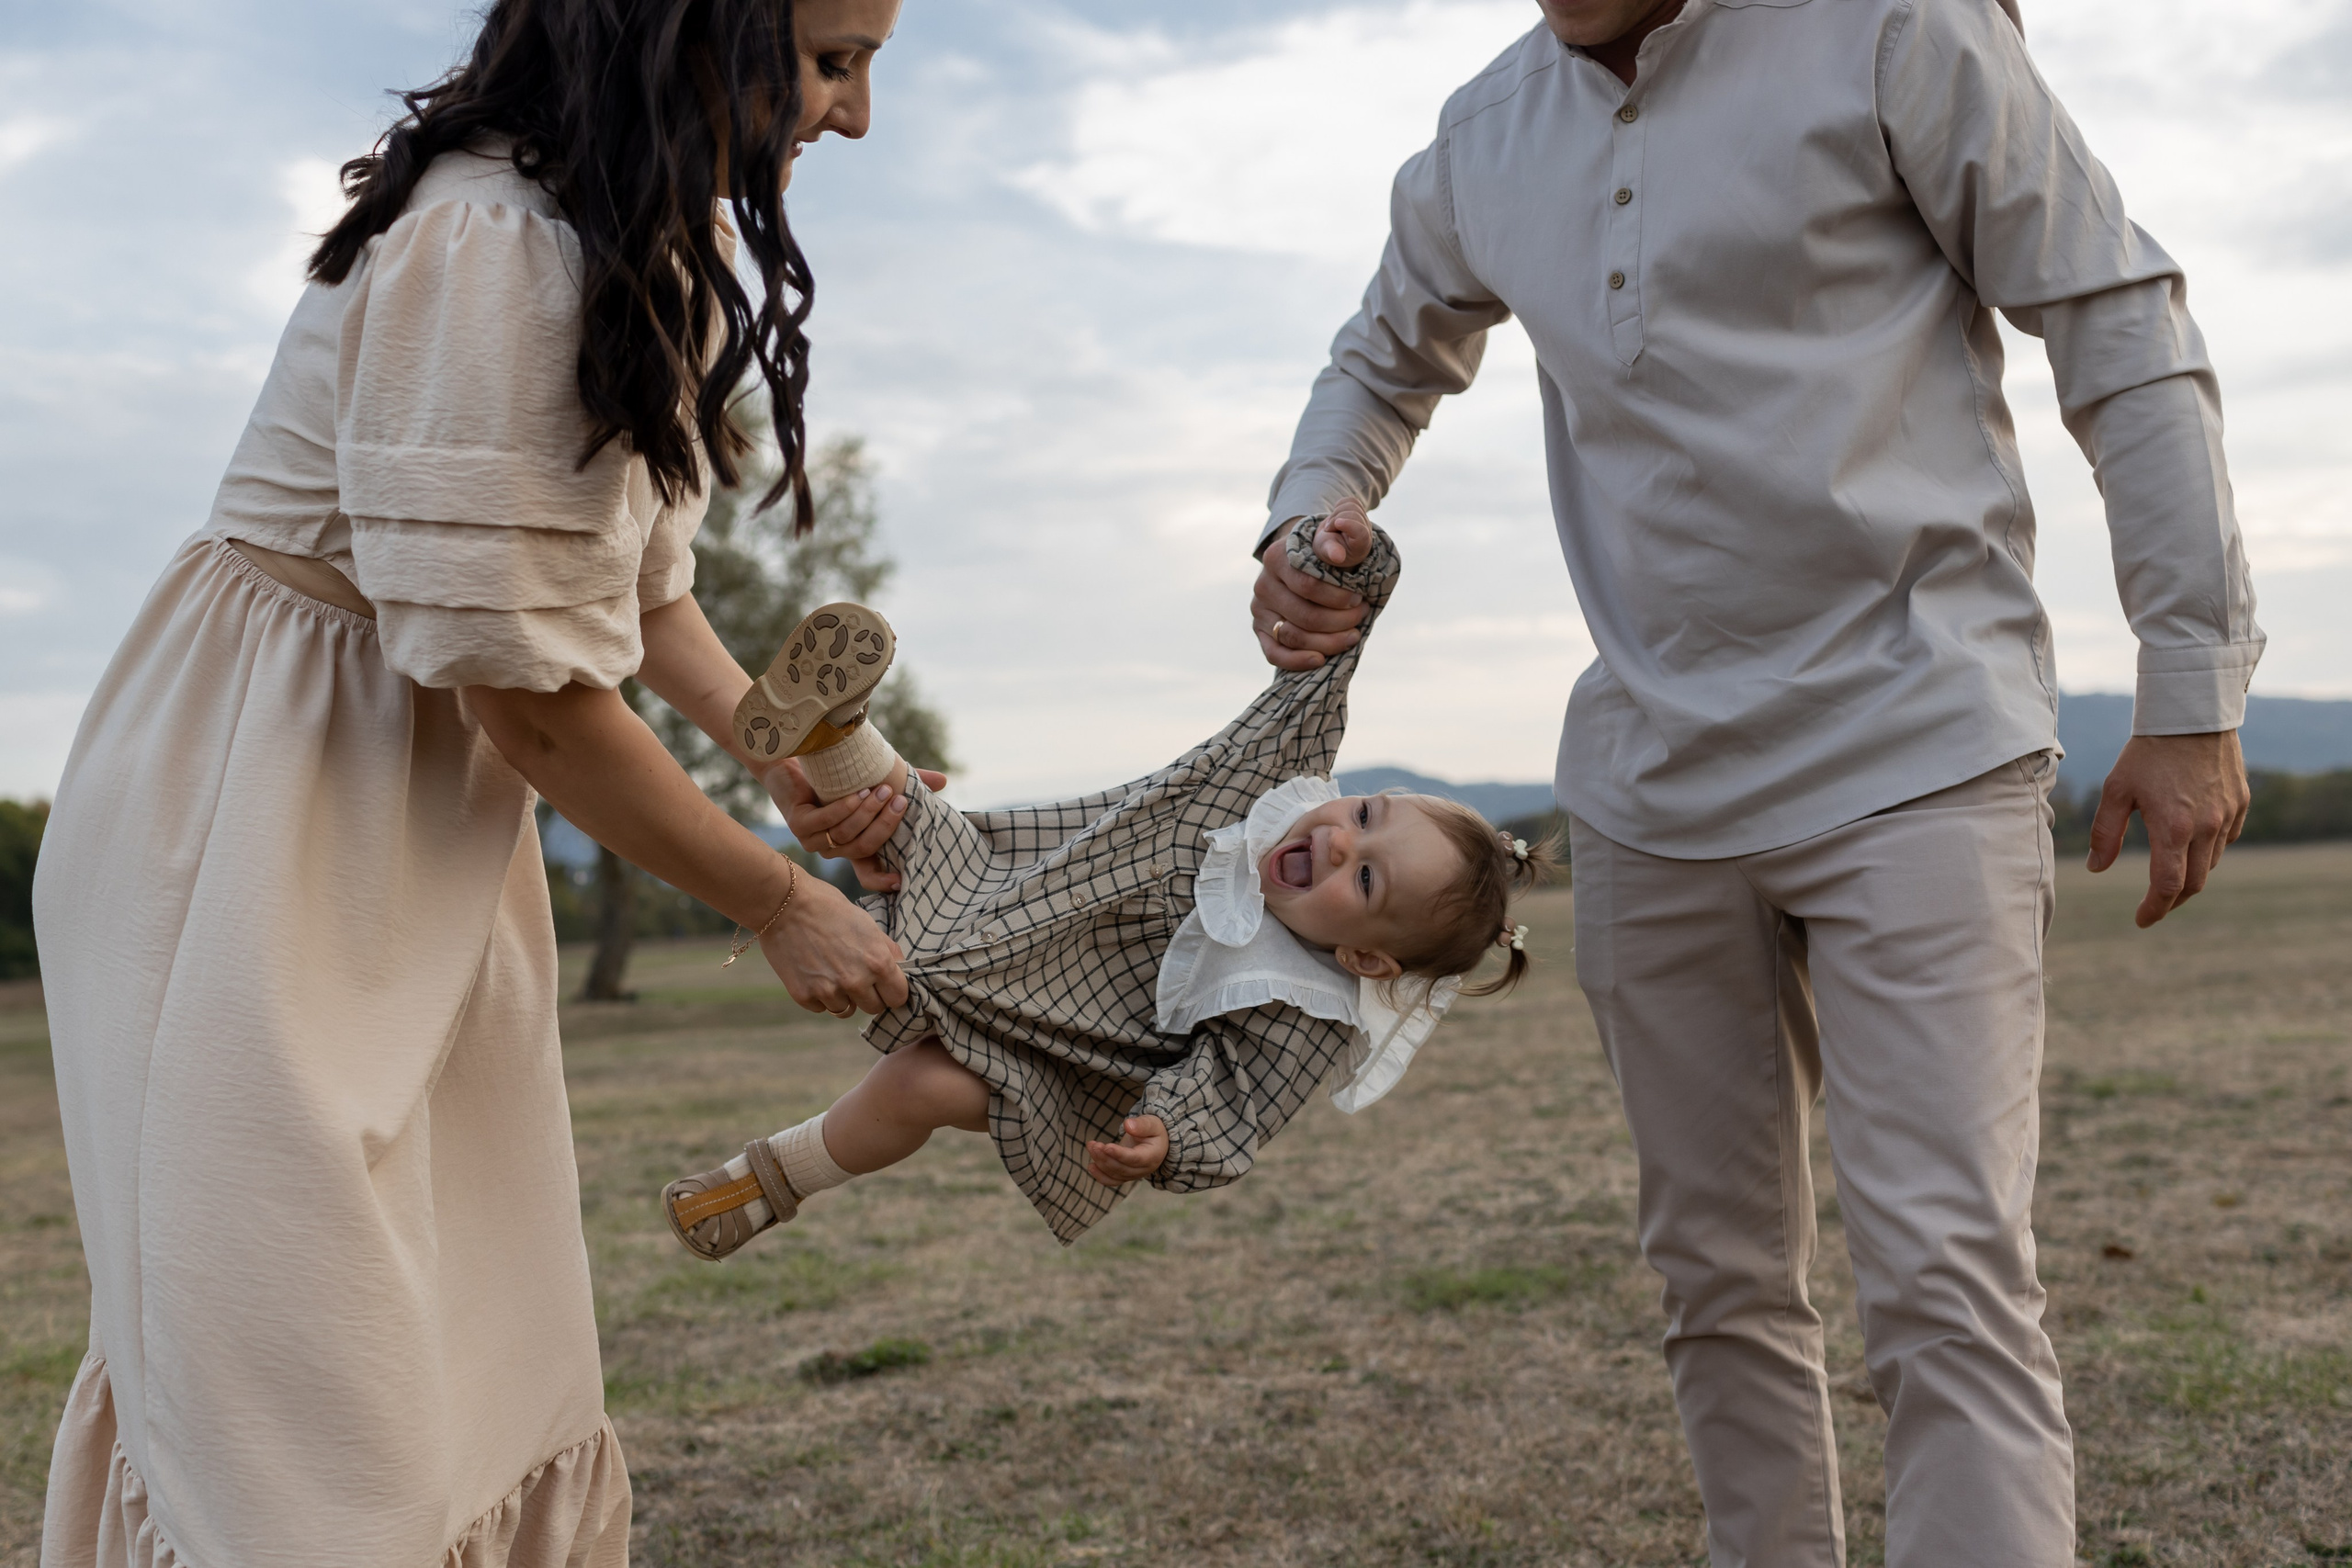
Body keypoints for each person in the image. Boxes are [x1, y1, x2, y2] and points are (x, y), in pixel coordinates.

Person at [1243, 2, 2261, 1563]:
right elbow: (1380, 357)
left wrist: (2190, 682)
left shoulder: (1895, 30)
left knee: (1943, 1279)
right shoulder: (1482, 136)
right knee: (1717, 1283)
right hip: (1652, 791)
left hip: (1919, 742)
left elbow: (2117, 315)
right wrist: (1313, 510)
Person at [31, 2, 912, 1564]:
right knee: (297, 1401)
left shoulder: (641, 245)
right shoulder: (491, 244)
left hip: (421, 827)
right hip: (255, 814)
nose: (851, 118)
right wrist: (780, 905)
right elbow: (525, 691)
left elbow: (636, 595)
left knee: (455, 1355)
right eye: (834, 59)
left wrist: (777, 753)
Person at [662, 505, 1555, 1251]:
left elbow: (1237, 1102)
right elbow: (1331, 656)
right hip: (1008, 893)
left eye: (1363, 881)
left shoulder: (1300, 1009)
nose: (1334, 845)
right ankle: (832, 729)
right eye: (1363, 818)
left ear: (1364, 957)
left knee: (920, 1089)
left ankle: (761, 1185)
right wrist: (1350, 564)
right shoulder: (1269, 784)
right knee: (908, 817)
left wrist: (1167, 1138)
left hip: (1059, 1060)